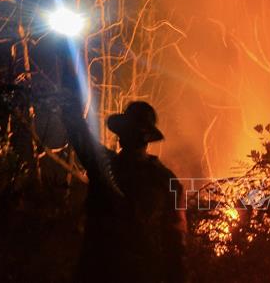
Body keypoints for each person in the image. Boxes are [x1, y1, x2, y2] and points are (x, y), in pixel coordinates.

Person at [61, 98, 186, 283]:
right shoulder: (167, 181)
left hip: (104, 272)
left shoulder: (104, 166)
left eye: (128, 130)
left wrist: (68, 98)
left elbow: (176, 241)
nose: (122, 136)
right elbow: (177, 244)